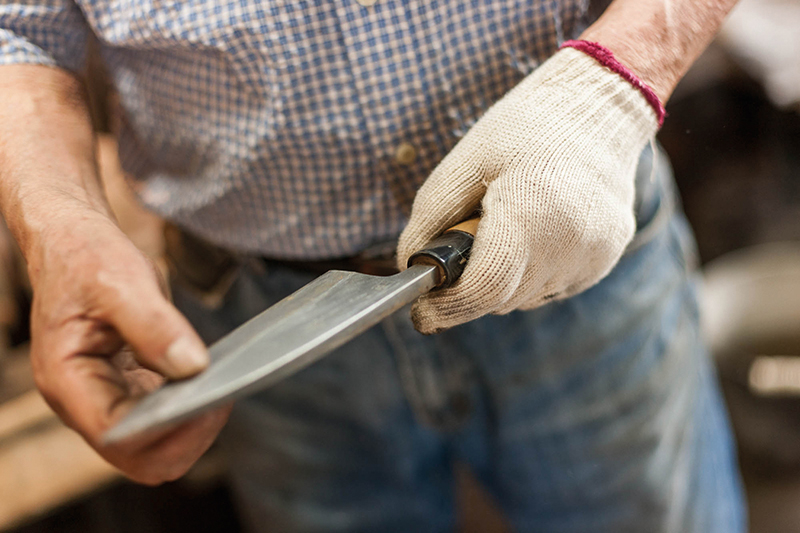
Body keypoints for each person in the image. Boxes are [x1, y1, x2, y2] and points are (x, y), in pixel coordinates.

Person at [0, 0, 745, 530]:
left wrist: (614, 85)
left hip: (571, 247)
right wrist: (58, 225)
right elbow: (16, 32)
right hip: (267, 333)